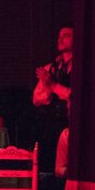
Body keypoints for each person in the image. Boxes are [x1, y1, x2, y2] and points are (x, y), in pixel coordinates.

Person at [31, 26, 72, 171]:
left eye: (66, 35)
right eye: (59, 35)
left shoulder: (82, 67)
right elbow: (36, 98)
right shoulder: (52, 68)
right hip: (50, 126)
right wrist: (49, 93)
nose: (60, 38)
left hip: (69, 124)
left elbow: (73, 95)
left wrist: (53, 86)